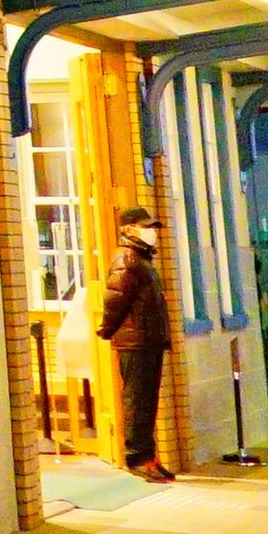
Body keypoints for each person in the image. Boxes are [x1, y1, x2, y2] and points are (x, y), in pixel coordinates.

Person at [97, 204, 176, 483]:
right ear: (129, 229)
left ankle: (149, 456)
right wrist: (106, 329)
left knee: (147, 402)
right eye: (146, 227)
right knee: (137, 400)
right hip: (135, 342)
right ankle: (138, 458)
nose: (152, 232)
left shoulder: (142, 259)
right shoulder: (126, 259)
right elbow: (115, 299)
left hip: (148, 340)